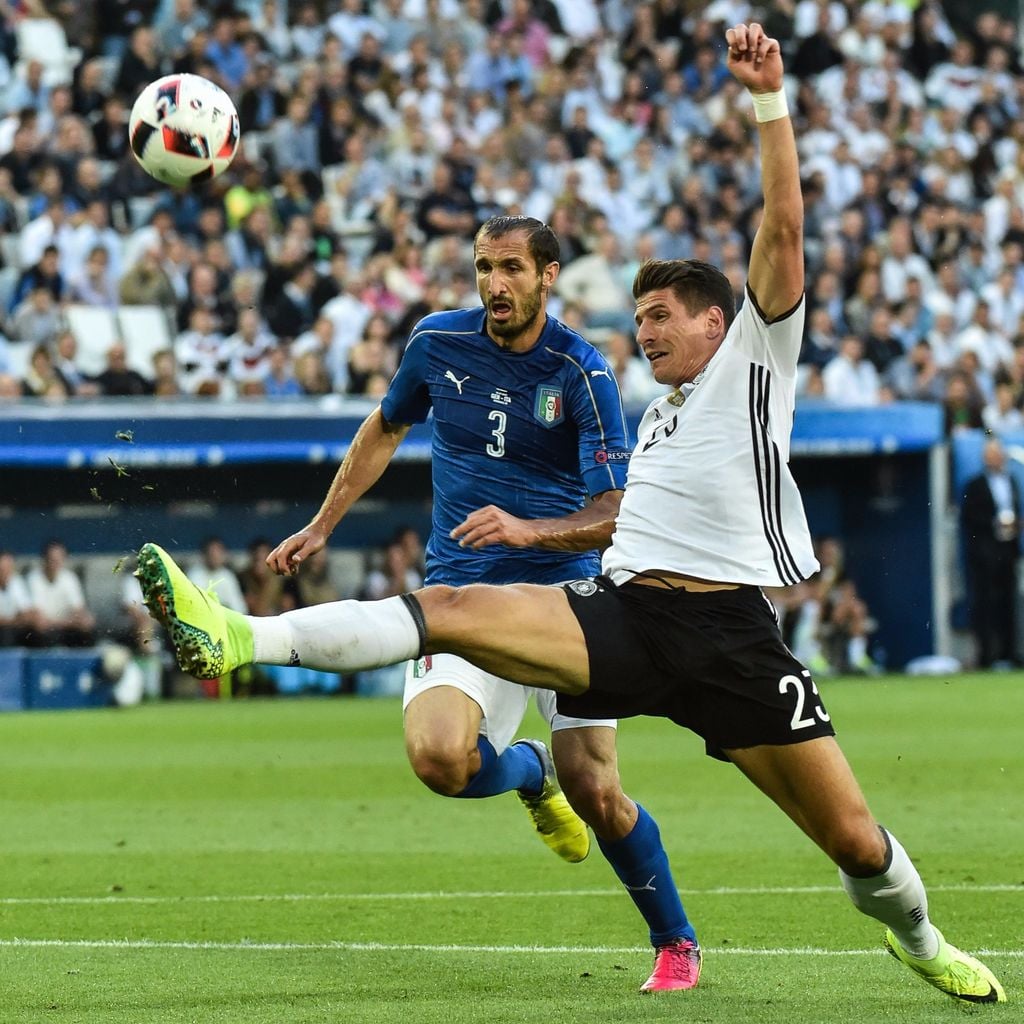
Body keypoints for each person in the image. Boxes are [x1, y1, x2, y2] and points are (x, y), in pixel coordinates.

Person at [137, 24, 1004, 1005]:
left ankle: (921, 935)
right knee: (451, 607)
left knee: (851, 839)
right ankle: (235, 632)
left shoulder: (756, 365)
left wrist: (769, 101)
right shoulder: (658, 411)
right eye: (638, 320)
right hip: (624, 613)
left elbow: (783, 228)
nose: (643, 334)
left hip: (728, 638)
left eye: (662, 318)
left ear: (717, 323)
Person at [962, 435, 1021, 669]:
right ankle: (987, 656)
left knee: (1009, 603)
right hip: (985, 553)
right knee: (985, 604)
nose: (994, 459)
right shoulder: (974, 485)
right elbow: (968, 518)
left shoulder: (1012, 481)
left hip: (1008, 550)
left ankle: (1009, 653)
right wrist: (994, 523)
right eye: (990, 455)